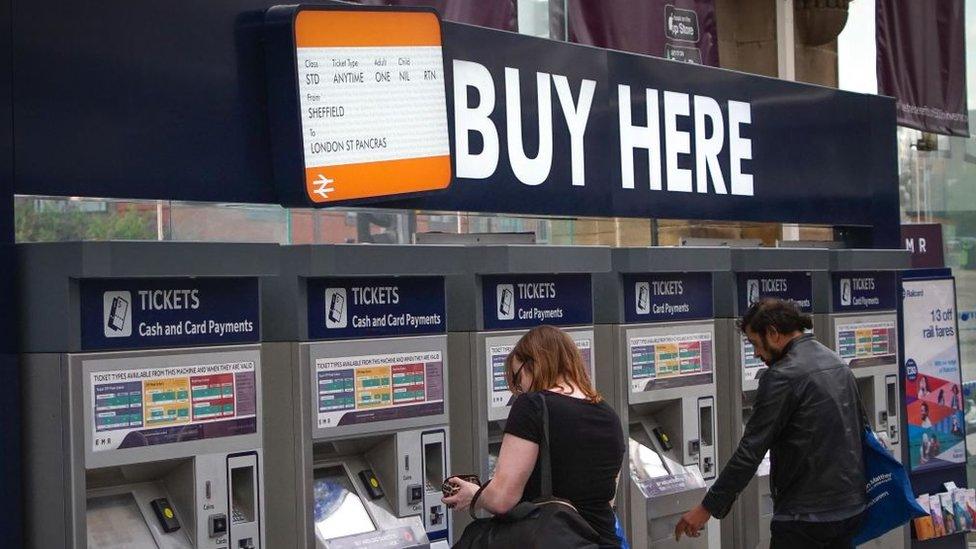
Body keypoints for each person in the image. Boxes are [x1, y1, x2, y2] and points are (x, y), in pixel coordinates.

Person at [675, 298, 866, 547]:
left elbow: (750, 452)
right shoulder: (836, 362)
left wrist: (707, 507)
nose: (756, 353)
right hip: (850, 508)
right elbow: (861, 429)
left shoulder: (782, 376)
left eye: (755, 343)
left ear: (773, 333)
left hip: (805, 517)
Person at [443, 325, 626, 548]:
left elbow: (502, 499)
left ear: (533, 365)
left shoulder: (533, 406)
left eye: (518, 379)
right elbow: (607, 498)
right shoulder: (608, 415)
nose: (520, 389)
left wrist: (474, 494)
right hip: (604, 541)